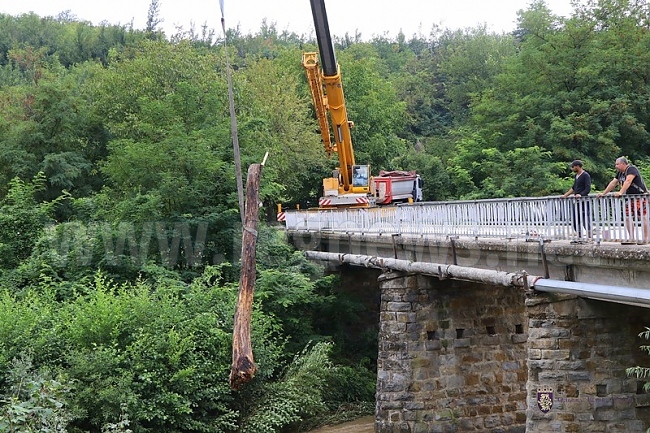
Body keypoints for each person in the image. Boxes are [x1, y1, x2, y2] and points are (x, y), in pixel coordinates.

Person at [597, 156, 649, 244]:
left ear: (623, 164)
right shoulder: (620, 173)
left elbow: (628, 181)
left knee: (642, 217)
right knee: (628, 217)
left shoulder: (631, 169)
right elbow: (613, 183)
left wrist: (620, 192)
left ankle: (646, 238)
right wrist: (603, 193)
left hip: (639, 197)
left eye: (617, 164)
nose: (616, 166)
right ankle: (631, 238)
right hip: (629, 198)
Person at [562, 160, 591, 240]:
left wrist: (581, 194)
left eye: (573, 167)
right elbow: (574, 187)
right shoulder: (576, 176)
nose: (572, 168)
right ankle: (579, 235)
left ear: (577, 166)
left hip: (584, 201)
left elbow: (588, 188)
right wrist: (565, 195)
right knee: (575, 218)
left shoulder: (585, 175)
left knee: (585, 218)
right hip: (577, 201)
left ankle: (589, 235)